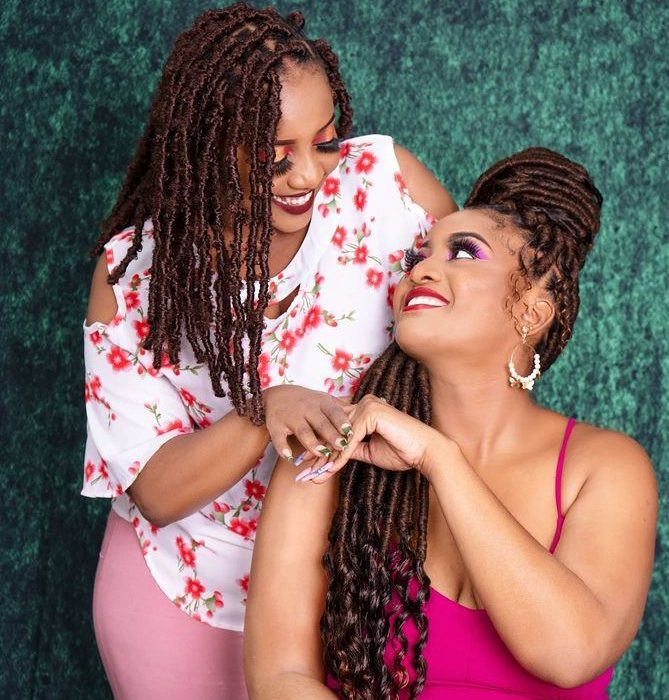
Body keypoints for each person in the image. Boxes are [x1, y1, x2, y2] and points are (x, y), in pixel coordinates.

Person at [82, 4, 456, 699]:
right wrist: (265, 411)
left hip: (352, 587)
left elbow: (472, 320)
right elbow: (155, 491)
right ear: (205, 143)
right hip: (184, 595)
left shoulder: (386, 189)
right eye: (272, 154)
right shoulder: (133, 276)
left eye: (325, 140)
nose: (308, 174)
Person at [244, 147, 658, 699]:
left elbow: (571, 653)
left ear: (532, 311)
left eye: (464, 251)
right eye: (418, 256)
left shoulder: (608, 468)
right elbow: (279, 680)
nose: (420, 269)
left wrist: (439, 458)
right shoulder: (328, 449)